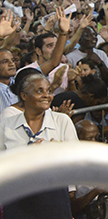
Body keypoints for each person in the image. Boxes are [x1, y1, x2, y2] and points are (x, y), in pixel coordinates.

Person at [0, 71, 77, 218]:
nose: (46, 95)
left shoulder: (62, 121)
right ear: (24, 96)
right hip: (17, 195)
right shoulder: (6, 124)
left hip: (54, 195)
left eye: (49, 91)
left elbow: (77, 161)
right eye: (39, 91)